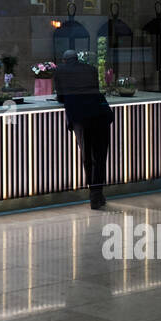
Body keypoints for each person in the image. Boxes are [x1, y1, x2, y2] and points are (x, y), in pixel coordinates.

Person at [52, 49, 114, 208]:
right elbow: (94, 90)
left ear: (65, 60)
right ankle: (97, 195)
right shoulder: (91, 69)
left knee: (87, 156)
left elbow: (61, 96)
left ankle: (94, 196)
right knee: (100, 157)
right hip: (101, 114)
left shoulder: (59, 70)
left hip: (80, 117)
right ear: (77, 59)